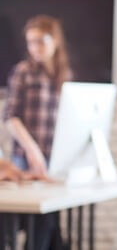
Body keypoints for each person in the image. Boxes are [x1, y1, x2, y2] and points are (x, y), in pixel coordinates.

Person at [4, 14, 69, 250]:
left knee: (48, 224)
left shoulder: (63, 76)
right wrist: (32, 150)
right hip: (25, 159)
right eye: (30, 42)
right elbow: (10, 117)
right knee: (23, 223)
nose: (35, 47)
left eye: (41, 40)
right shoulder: (22, 72)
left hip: (54, 159)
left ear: (55, 41)